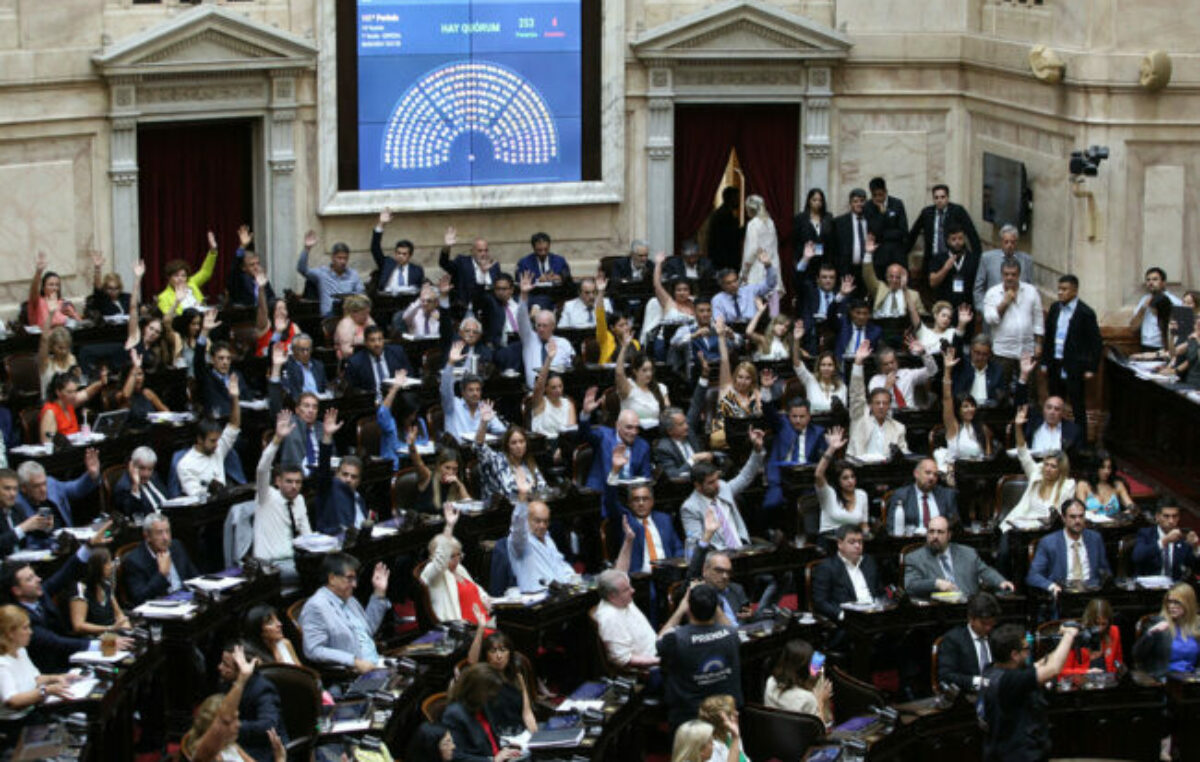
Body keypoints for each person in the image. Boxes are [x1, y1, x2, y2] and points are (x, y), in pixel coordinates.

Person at [4, 531, 130, 673]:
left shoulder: (40, 594)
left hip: (68, 656)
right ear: (16, 591)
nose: (38, 580)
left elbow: (65, 573)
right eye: (29, 579)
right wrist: (103, 644)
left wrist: (88, 547)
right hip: (47, 670)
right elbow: (55, 642)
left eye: (34, 575)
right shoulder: (17, 618)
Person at [980, 622, 1079, 761]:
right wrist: (1069, 635)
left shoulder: (991, 670)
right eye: (1026, 648)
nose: (1029, 652)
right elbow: (1053, 669)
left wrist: (1060, 643)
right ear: (1014, 654)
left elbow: (1040, 665)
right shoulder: (1010, 680)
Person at [657, 584, 742, 729]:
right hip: (726, 715)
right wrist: (713, 605)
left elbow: (659, 640)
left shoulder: (675, 639)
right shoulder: (731, 635)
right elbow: (732, 629)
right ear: (716, 607)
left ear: (688, 608)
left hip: (690, 717)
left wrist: (680, 610)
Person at [180, 647, 285, 762]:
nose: (238, 723)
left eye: (226, 665)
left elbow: (267, 725)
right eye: (233, 720)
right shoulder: (211, 755)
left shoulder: (231, 746)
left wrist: (280, 758)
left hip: (260, 747)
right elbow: (224, 718)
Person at [679, 428, 765, 555]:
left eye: (716, 479)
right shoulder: (690, 508)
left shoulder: (723, 488)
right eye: (711, 482)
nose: (716, 485)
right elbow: (697, 544)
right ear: (698, 486)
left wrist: (757, 450)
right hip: (718, 557)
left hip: (742, 550)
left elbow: (745, 477)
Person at [299, 553, 390, 673]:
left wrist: (379, 592)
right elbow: (314, 650)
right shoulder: (316, 606)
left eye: (355, 578)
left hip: (377, 663)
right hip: (355, 675)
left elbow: (368, 630)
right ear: (332, 578)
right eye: (349, 578)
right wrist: (354, 661)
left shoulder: (349, 599)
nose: (355, 584)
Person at [253, 412, 312, 586]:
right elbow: (262, 468)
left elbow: (307, 536)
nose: (294, 486)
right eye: (289, 481)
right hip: (271, 565)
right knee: (314, 576)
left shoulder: (299, 500)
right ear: (278, 481)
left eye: (298, 482)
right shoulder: (266, 496)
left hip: (296, 559)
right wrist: (277, 439)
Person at [0, 605, 81, 730]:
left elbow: (35, 679)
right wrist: (46, 691)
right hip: (15, 726)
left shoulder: (20, 650)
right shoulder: (2, 663)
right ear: (10, 633)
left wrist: (57, 677)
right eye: (25, 628)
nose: (30, 632)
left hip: (33, 713)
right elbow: (12, 701)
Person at [604, 451, 684, 575]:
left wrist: (677, 566)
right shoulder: (626, 521)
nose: (641, 503)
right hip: (641, 580)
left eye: (645, 499)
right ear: (629, 503)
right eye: (636, 499)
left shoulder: (664, 519)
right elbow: (610, 503)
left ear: (652, 501)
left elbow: (678, 548)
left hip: (667, 575)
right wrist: (615, 471)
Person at [999, 406, 1075, 532]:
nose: (1048, 469)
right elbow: (1022, 452)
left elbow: (1061, 517)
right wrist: (1018, 427)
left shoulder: (1068, 486)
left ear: (1061, 470)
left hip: (1046, 531)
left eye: (1053, 466)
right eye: (1046, 464)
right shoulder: (1036, 473)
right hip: (1021, 525)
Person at [1043, 274, 1102, 438]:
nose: (1060, 293)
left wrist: (1092, 367)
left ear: (1075, 291)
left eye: (1064, 289)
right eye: (1059, 289)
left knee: (1077, 405)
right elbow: (1049, 336)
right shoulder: (1055, 308)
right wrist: (1044, 362)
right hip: (1055, 363)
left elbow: (1095, 342)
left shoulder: (1085, 312)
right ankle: (1053, 436)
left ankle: (1080, 441)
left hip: (1074, 366)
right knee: (1054, 402)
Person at [215, 640, 287, 762]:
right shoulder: (225, 683)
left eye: (226, 665)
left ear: (241, 670)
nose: (219, 667)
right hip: (236, 742)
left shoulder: (262, 689)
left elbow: (268, 726)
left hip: (263, 749)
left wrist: (233, 727)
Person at [904, 517, 1012, 597]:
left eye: (940, 532)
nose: (935, 536)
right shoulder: (914, 558)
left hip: (969, 607)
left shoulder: (967, 553)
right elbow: (910, 585)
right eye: (931, 532)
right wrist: (936, 583)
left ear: (949, 535)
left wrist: (1000, 581)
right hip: (938, 611)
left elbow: (985, 571)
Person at [421, 504, 490, 625]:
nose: (457, 560)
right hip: (464, 628)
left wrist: (485, 599)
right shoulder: (432, 573)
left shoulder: (459, 569)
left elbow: (477, 590)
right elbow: (440, 560)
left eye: (459, 555)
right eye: (452, 556)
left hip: (484, 621)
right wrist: (449, 526)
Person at [1026, 498, 1112, 594]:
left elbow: (1105, 571)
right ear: (1063, 518)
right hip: (1064, 594)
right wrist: (1052, 586)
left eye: (1081, 516)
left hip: (1092, 594)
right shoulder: (1048, 542)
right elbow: (1033, 576)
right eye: (1073, 517)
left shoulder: (1095, 538)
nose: (1077, 521)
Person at [762, 397, 826, 525]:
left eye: (802, 417)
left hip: (806, 481)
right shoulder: (782, 425)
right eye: (794, 416)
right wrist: (766, 392)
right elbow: (769, 412)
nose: (797, 420)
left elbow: (822, 460)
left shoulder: (818, 432)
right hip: (781, 479)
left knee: (811, 504)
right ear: (788, 416)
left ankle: (805, 539)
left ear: (809, 416)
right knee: (771, 504)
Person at [441, 664, 524, 762]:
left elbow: (489, 739)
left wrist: (504, 748)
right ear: (474, 690)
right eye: (489, 691)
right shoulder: (454, 714)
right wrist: (492, 760)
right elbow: (455, 756)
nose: (493, 695)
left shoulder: (483, 705)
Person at [578, 389, 652, 498]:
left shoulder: (643, 445)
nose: (634, 432)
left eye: (637, 428)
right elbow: (584, 434)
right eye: (629, 427)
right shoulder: (603, 435)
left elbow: (646, 477)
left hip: (628, 496)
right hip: (600, 493)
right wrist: (586, 413)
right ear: (618, 425)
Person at [466, 628, 538, 736]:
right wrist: (480, 630)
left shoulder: (517, 677)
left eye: (503, 650)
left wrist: (535, 736)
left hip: (521, 733)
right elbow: (472, 661)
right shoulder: (482, 678)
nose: (499, 656)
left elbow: (527, 713)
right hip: (498, 737)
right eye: (493, 651)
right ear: (486, 655)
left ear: (510, 653)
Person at [15, 450, 100, 540]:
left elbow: (76, 489)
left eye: (44, 483)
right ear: (23, 488)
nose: (43, 489)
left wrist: (92, 474)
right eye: (36, 486)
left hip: (68, 540)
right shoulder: (16, 505)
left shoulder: (51, 484)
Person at [121, 513, 201, 607]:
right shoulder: (134, 561)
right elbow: (140, 598)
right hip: (163, 608)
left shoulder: (176, 546)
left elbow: (194, 576)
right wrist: (162, 574)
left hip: (188, 600)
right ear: (147, 536)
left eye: (168, 531)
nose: (166, 538)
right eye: (159, 533)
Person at [267, 345, 324, 475]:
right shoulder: (289, 424)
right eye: (306, 406)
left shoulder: (322, 428)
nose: (311, 410)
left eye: (314, 407)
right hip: (297, 478)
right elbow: (275, 404)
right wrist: (276, 368)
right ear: (297, 410)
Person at [846, 340, 909, 459]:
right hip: (860, 470)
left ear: (889, 406)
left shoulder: (899, 428)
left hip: (884, 473)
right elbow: (856, 394)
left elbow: (904, 454)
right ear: (870, 405)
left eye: (884, 403)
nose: (881, 406)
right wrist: (858, 363)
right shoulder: (860, 418)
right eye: (877, 403)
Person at [983, 258, 1043, 382]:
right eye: (1006, 274)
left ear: (1019, 275)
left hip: (1027, 350)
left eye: (1013, 274)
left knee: (1028, 390)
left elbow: (1038, 320)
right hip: (1003, 351)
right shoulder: (992, 293)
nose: (1009, 278)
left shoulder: (1031, 291)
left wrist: (1038, 344)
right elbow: (990, 319)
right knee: (1001, 391)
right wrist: (1005, 302)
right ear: (1001, 275)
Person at [1014, 356, 1083, 458]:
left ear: (1062, 412)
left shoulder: (1073, 430)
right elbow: (1021, 405)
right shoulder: (1033, 422)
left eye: (1057, 409)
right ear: (1043, 409)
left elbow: (1076, 459)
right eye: (1049, 407)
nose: (1052, 412)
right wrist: (1024, 376)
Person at [594, 567, 660, 672]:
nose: (633, 590)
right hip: (650, 668)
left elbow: (621, 567)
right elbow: (624, 659)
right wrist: (659, 661)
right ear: (612, 596)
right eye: (626, 589)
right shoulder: (609, 618)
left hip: (658, 648)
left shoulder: (622, 599)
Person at [811, 524, 881, 623]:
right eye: (852, 542)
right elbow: (820, 602)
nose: (857, 546)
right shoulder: (827, 567)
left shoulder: (869, 561)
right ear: (840, 544)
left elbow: (880, 592)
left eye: (860, 542)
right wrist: (841, 614)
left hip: (874, 614)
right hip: (850, 620)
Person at [473, 411, 546, 505]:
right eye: (514, 443)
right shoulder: (497, 460)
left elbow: (543, 488)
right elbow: (479, 446)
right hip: (500, 512)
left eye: (521, 441)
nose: (519, 446)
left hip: (529, 508)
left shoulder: (529, 463)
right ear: (507, 446)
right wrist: (484, 423)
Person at [516, 270, 575, 387]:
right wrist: (523, 295)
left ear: (553, 326)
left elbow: (569, 369)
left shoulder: (563, 343)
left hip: (556, 392)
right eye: (538, 325)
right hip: (532, 392)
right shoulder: (529, 339)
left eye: (545, 325)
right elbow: (521, 318)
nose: (541, 329)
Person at [710, 318, 764, 445]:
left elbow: (761, 417)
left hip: (749, 441)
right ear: (735, 377)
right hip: (725, 441)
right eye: (740, 377)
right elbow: (724, 360)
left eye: (747, 378)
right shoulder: (727, 389)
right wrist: (721, 338)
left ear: (752, 380)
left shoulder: (756, 394)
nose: (742, 381)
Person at [315, 410, 370, 533]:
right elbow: (323, 468)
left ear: (359, 480)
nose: (348, 479)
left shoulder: (359, 498)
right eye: (345, 474)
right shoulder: (330, 488)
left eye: (353, 477)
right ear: (336, 473)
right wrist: (327, 436)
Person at [176, 397, 242, 498]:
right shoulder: (185, 465)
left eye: (217, 440)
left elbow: (234, 425)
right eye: (212, 441)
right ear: (200, 439)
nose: (216, 444)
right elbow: (196, 497)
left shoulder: (218, 449)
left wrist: (234, 398)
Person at [908, 185, 982, 275]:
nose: (939, 200)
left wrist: (977, 258)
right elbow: (913, 234)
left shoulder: (958, 211)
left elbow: (972, 234)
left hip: (953, 257)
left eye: (942, 197)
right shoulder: (927, 213)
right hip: (932, 258)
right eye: (936, 198)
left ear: (947, 197)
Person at [194, 311, 256, 418]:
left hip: (241, 420)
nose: (225, 362)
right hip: (218, 423)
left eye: (228, 358)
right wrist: (205, 331)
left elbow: (248, 398)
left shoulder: (236, 375)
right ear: (212, 360)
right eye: (221, 358)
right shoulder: (206, 376)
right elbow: (198, 360)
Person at [937, 592, 1001, 693]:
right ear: (971, 619)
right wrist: (978, 681)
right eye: (984, 624)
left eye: (992, 623)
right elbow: (946, 675)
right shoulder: (954, 639)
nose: (988, 628)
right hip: (969, 695)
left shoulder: (997, 637)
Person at [506, 500, 576, 592]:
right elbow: (518, 526)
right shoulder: (520, 541)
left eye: (546, 521)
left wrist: (573, 578)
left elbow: (560, 564)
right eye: (537, 521)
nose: (542, 525)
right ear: (527, 519)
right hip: (537, 597)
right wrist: (522, 498)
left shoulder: (547, 538)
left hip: (561, 592)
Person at [812, 428, 869, 541]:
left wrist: (866, 534)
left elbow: (864, 524)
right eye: (845, 478)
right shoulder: (828, 493)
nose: (850, 481)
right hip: (830, 538)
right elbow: (818, 474)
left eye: (852, 477)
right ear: (838, 480)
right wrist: (831, 449)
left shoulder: (861, 495)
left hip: (853, 539)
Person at [1134, 583, 1200, 677]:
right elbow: (1137, 655)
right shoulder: (1156, 623)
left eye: (1177, 602)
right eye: (1169, 602)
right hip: (1164, 680)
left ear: (1188, 603)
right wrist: (1150, 633)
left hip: (1192, 679)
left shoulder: (1198, 625)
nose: (1171, 606)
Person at [940, 347, 994, 461]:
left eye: (972, 405)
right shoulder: (953, 426)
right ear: (958, 409)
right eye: (965, 406)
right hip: (957, 471)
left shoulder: (982, 428)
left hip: (976, 472)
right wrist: (947, 371)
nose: (970, 409)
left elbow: (988, 456)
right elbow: (947, 398)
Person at [296, 230, 365, 317]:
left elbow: (361, 295)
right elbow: (302, 269)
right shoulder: (322, 273)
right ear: (332, 258)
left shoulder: (353, 275)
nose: (343, 261)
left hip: (349, 315)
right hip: (329, 317)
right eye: (339, 258)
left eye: (345, 258)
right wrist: (307, 248)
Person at [764, 638, 832, 723]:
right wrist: (821, 701)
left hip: (776, 733)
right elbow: (822, 731)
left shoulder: (770, 681)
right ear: (804, 668)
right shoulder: (807, 698)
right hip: (803, 735)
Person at [887, 458, 960, 536]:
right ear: (916, 474)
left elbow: (954, 526)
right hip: (910, 542)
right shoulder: (901, 495)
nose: (932, 478)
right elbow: (892, 528)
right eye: (928, 473)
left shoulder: (947, 495)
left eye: (935, 475)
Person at [156, 231, 218, 318]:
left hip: (203, 319)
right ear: (169, 278)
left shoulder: (191, 283)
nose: (180, 278)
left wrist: (213, 250)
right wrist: (191, 309)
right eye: (176, 275)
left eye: (183, 275)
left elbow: (205, 272)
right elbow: (169, 319)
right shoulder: (163, 297)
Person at [973, 224, 1033, 314]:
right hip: (993, 310)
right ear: (1001, 242)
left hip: (1018, 311)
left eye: (1012, 242)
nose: (1009, 245)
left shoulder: (1026, 260)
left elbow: (1030, 288)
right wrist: (984, 309)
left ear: (1016, 243)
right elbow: (978, 288)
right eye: (1006, 242)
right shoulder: (987, 258)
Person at [68, 548, 129, 635]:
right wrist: (110, 628)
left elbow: (119, 614)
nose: (111, 566)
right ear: (96, 567)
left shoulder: (106, 585)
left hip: (111, 634)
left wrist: (126, 627)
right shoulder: (80, 589)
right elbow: (79, 626)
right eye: (107, 563)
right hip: (93, 638)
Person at [1132, 504, 1200, 580]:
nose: (1171, 521)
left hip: (1175, 586)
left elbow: (1197, 569)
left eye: (1175, 516)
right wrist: (1164, 541)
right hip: (1149, 584)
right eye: (1166, 516)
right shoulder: (1146, 534)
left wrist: (1196, 548)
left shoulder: (1183, 537)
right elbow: (1137, 557)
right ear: (1157, 517)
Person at [344, 324, 413, 398]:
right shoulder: (355, 362)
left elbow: (410, 374)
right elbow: (353, 390)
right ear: (366, 343)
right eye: (372, 340)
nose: (377, 344)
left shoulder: (397, 352)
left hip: (397, 398)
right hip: (371, 402)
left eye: (380, 339)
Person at [867, 340, 938, 411]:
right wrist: (887, 387)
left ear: (897, 361)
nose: (890, 366)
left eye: (892, 362)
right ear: (880, 366)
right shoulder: (875, 381)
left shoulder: (907, 374)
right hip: (889, 416)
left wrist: (923, 353)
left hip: (911, 414)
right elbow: (876, 404)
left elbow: (932, 371)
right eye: (886, 364)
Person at [38, 370, 106, 442]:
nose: (74, 395)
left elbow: (86, 393)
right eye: (69, 392)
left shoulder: (69, 403)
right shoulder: (50, 412)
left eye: (75, 391)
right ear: (58, 392)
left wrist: (101, 382)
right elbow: (47, 443)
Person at [614, 339, 669, 428]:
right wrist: (624, 348)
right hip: (632, 433)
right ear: (635, 371)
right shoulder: (629, 387)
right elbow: (619, 373)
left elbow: (668, 414)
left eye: (651, 370)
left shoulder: (660, 388)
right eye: (644, 370)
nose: (649, 374)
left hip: (655, 433)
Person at [1061, 598, 1123, 674]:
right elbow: (1062, 672)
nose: (1100, 629)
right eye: (1096, 624)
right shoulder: (1075, 636)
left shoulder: (1114, 631)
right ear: (1088, 621)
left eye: (1104, 624)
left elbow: (1118, 662)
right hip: (1082, 681)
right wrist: (1087, 672)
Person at [927, 223, 980, 310]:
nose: (957, 242)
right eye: (953, 239)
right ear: (948, 241)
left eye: (960, 238)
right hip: (945, 306)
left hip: (967, 306)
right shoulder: (938, 258)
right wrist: (945, 269)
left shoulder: (973, 259)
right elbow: (932, 283)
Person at [740, 194, 781, 307]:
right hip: (773, 266)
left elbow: (752, 250)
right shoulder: (770, 223)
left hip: (756, 270)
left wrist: (744, 271)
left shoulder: (753, 224)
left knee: (755, 308)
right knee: (774, 310)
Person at [0, 469, 54, 555]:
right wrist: (23, 527)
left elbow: (35, 534)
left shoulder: (17, 509)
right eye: (7, 489)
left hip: (23, 561)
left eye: (15, 489)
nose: (12, 493)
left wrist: (45, 527)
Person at [529, 348, 577, 444]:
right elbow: (539, 386)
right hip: (544, 444)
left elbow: (570, 431)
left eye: (560, 386)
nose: (558, 390)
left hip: (563, 444)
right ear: (546, 389)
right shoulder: (540, 402)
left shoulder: (568, 403)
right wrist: (549, 359)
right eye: (553, 387)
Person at [711, 254, 777, 324]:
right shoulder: (718, 299)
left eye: (735, 281)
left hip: (753, 326)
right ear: (722, 285)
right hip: (732, 330)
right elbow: (718, 321)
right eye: (729, 283)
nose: (733, 285)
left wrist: (768, 266)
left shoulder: (750, 290)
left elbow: (770, 284)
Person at [412, 439, 471, 516]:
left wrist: (459, 485)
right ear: (439, 466)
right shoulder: (428, 477)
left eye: (455, 469)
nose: (451, 472)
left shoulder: (456, 483)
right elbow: (418, 464)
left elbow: (471, 508)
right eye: (447, 468)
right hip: (426, 524)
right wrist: (411, 445)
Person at [515, 231, 571, 312]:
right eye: (539, 250)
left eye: (545, 249)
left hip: (555, 294)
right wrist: (538, 280)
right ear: (534, 248)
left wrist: (559, 277)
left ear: (549, 246)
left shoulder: (559, 260)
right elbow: (519, 280)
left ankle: (536, 310)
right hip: (533, 294)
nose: (543, 253)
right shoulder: (524, 262)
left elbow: (567, 276)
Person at [371, 210, 425, 293]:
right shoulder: (387, 264)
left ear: (410, 256)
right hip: (387, 300)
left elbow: (419, 290)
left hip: (407, 301)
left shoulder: (417, 270)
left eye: (404, 254)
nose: (400, 256)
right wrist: (381, 224)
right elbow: (375, 248)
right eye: (398, 253)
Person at [790, 332, 846, 412]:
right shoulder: (810, 380)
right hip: (813, 422)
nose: (826, 368)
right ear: (818, 367)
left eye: (830, 365)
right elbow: (797, 363)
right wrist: (796, 340)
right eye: (823, 365)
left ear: (835, 368)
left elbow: (842, 411)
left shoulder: (842, 386)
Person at [1131, 266, 1183, 352]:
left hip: (1164, 347)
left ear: (1163, 282)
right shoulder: (1144, 299)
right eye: (1148, 280)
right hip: (1146, 345)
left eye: (1155, 279)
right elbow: (1133, 326)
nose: (1151, 283)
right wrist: (1144, 308)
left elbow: (1182, 329)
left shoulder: (1174, 301)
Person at [792, 188, 836, 288]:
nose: (817, 203)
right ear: (809, 201)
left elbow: (832, 241)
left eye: (820, 200)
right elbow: (796, 241)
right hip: (806, 260)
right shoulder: (801, 218)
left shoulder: (828, 218)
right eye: (814, 200)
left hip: (824, 260)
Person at [864, 177, 909, 273]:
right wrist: (881, 214)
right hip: (879, 255)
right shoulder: (868, 207)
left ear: (885, 191)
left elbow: (902, 231)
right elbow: (873, 231)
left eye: (880, 194)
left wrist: (884, 235)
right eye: (874, 195)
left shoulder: (897, 204)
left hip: (897, 254)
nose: (878, 198)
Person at [593, 273, 640, 363]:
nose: (625, 328)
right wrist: (601, 293)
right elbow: (600, 318)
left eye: (626, 324)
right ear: (612, 328)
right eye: (621, 325)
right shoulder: (606, 338)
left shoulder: (635, 343)